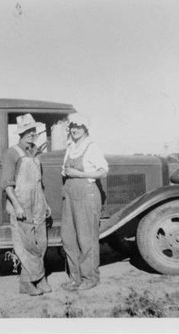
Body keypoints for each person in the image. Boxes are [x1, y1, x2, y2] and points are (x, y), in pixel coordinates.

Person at [0, 113, 52, 296]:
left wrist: (44, 203)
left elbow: (39, 182)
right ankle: (33, 280)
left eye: (33, 130)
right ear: (20, 133)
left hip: (38, 202)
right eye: (27, 130)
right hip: (21, 203)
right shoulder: (12, 153)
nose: (31, 133)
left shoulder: (35, 152)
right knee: (27, 243)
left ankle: (35, 279)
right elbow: (7, 184)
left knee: (41, 241)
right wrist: (17, 205)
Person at [61, 113, 108, 291]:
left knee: (86, 238)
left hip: (87, 195)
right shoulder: (70, 146)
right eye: (72, 126)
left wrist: (81, 174)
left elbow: (103, 171)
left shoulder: (91, 147)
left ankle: (90, 278)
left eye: (78, 127)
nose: (75, 129)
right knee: (69, 238)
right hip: (70, 195)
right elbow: (65, 170)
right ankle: (75, 278)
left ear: (85, 128)